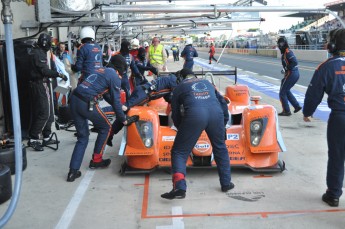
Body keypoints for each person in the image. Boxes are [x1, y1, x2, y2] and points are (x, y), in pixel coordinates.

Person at [161, 68, 233, 200]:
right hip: (216, 114)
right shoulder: (207, 83)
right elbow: (223, 103)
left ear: (180, 78)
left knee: (179, 152)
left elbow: (175, 113)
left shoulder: (179, 87)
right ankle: (226, 183)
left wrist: (181, 128)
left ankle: (179, 187)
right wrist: (223, 124)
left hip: (195, 115)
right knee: (220, 147)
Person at [66, 55, 128, 182]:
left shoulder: (102, 70)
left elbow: (105, 96)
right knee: (106, 126)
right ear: (120, 69)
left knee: (82, 137)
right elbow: (115, 101)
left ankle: (73, 171)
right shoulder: (115, 76)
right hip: (86, 102)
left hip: (74, 99)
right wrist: (123, 119)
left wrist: (120, 107)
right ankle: (97, 160)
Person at [303, 29, 345, 207]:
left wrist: (307, 112)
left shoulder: (327, 66)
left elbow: (314, 93)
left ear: (333, 45)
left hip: (340, 118)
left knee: (337, 156)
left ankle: (333, 194)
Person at [106, 72, 179, 147]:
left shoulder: (170, 79)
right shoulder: (173, 81)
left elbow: (168, 96)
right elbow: (177, 95)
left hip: (142, 91)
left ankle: (109, 134)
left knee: (125, 112)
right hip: (144, 94)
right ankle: (108, 133)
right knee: (123, 109)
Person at [27, 33, 68, 151]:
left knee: (50, 113)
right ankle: (33, 139)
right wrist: (59, 74)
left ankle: (46, 136)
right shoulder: (38, 53)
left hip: (44, 84)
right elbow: (45, 71)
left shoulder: (42, 52)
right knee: (44, 112)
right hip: (39, 84)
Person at [277, 36, 302, 116]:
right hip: (292, 73)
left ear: (285, 43)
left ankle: (286, 111)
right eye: (279, 43)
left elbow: (294, 62)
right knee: (285, 89)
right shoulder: (285, 53)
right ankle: (296, 106)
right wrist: (285, 69)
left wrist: (286, 68)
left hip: (292, 73)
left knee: (282, 93)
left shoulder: (288, 52)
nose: (280, 45)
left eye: (282, 43)